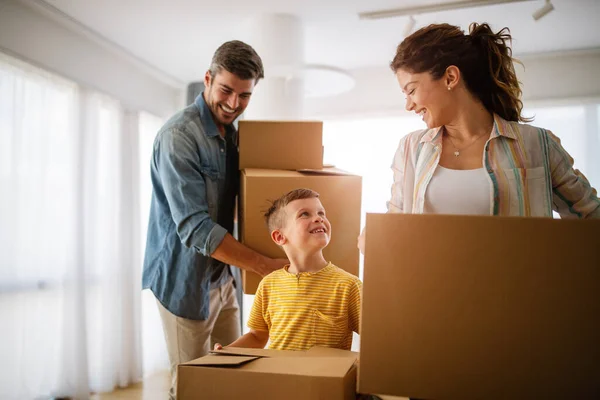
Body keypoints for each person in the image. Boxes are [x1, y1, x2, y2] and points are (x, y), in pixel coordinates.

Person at [358, 22, 600, 253]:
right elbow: (396, 220)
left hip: (515, 294)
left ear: (450, 78)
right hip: (431, 293)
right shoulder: (411, 148)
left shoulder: (536, 145)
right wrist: (374, 237)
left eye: (411, 90)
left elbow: (590, 217)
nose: (409, 105)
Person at [142, 40, 287, 398]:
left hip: (224, 278)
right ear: (208, 79)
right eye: (226, 90)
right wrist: (262, 265)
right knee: (193, 386)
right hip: (184, 282)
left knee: (233, 374)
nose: (234, 104)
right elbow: (195, 228)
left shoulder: (234, 137)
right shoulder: (179, 137)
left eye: (245, 95)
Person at [215, 188, 362, 351]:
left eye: (321, 213)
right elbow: (257, 337)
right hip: (279, 375)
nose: (318, 218)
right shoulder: (269, 284)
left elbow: (374, 336)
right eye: (305, 214)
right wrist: (226, 351)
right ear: (279, 237)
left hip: (327, 376)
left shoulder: (349, 285)